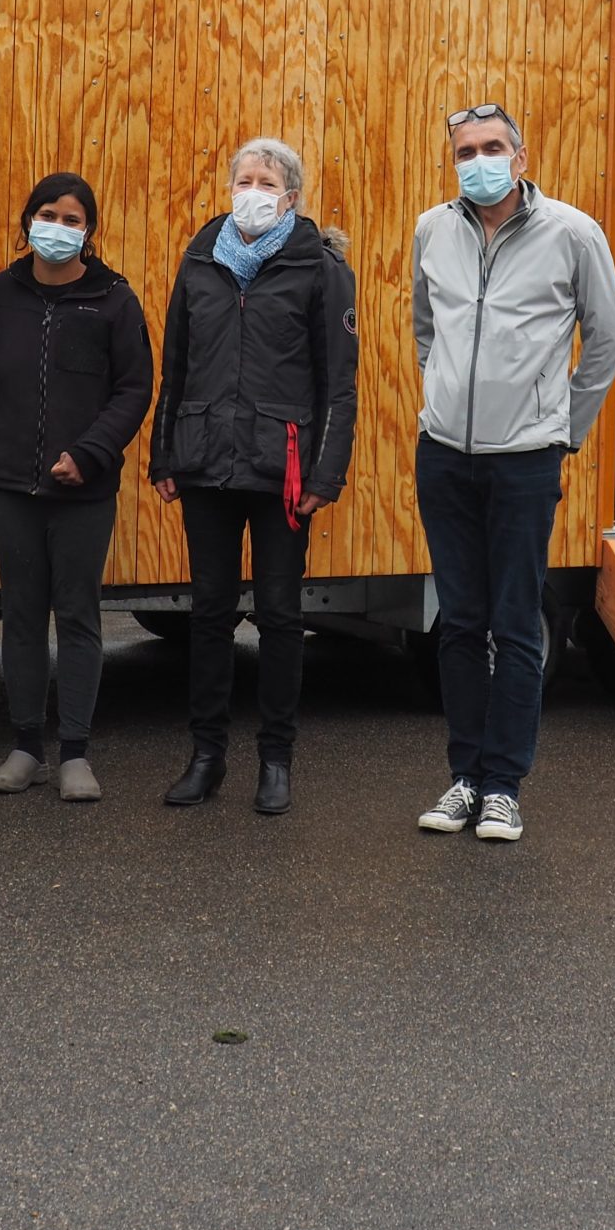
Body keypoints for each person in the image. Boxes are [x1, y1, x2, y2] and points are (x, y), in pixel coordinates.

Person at [410, 102, 615, 843]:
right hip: (443, 456)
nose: (479, 160)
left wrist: (563, 428)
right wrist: (438, 395)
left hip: (527, 460)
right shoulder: (432, 229)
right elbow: (425, 329)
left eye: (492, 146)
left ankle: (504, 784)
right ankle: (464, 777)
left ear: (521, 156)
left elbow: (609, 337)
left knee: (516, 623)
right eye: (465, 150)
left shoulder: (572, 232)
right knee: (460, 624)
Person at [148, 137, 356, 816]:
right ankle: (206, 757)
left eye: (267, 182)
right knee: (208, 615)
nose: (253, 191)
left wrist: (328, 470)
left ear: (291, 197)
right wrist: (163, 453)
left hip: (283, 468)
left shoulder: (320, 269)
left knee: (279, 616)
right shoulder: (201, 257)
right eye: (244, 179)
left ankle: (275, 761)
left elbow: (339, 384)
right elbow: (173, 365)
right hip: (205, 460)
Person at [0, 173, 152, 802]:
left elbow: (134, 389)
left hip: (85, 491)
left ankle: (75, 752)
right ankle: (26, 747)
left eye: (73, 219)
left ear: (89, 231)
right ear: (28, 221)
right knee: (22, 617)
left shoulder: (114, 299)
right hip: (11, 488)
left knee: (77, 615)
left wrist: (90, 453)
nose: (59, 227)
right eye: (48, 214)